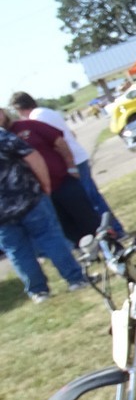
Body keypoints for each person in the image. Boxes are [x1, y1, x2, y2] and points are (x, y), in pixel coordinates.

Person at [8, 90, 124, 237]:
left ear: (19, 108)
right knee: (93, 199)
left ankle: (113, 231)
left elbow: (56, 142)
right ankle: (113, 230)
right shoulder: (47, 111)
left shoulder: (36, 117)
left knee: (88, 202)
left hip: (72, 162)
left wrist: (69, 167)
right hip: (78, 157)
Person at [0, 127, 88, 303]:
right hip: (28, 199)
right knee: (50, 238)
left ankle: (38, 292)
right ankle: (75, 279)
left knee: (18, 252)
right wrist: (45, 184)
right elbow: (32, 156)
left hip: (5, 214)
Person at [0, 108, 100, 245]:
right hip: (38, 196)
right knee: (69, 231)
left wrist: (71, 166)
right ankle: (92, 258)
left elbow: (60, 141)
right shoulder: (4, 139)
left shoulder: (28, 125)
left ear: (4, 113)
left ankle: (113, 250)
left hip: (63, 182)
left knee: (89, 219)